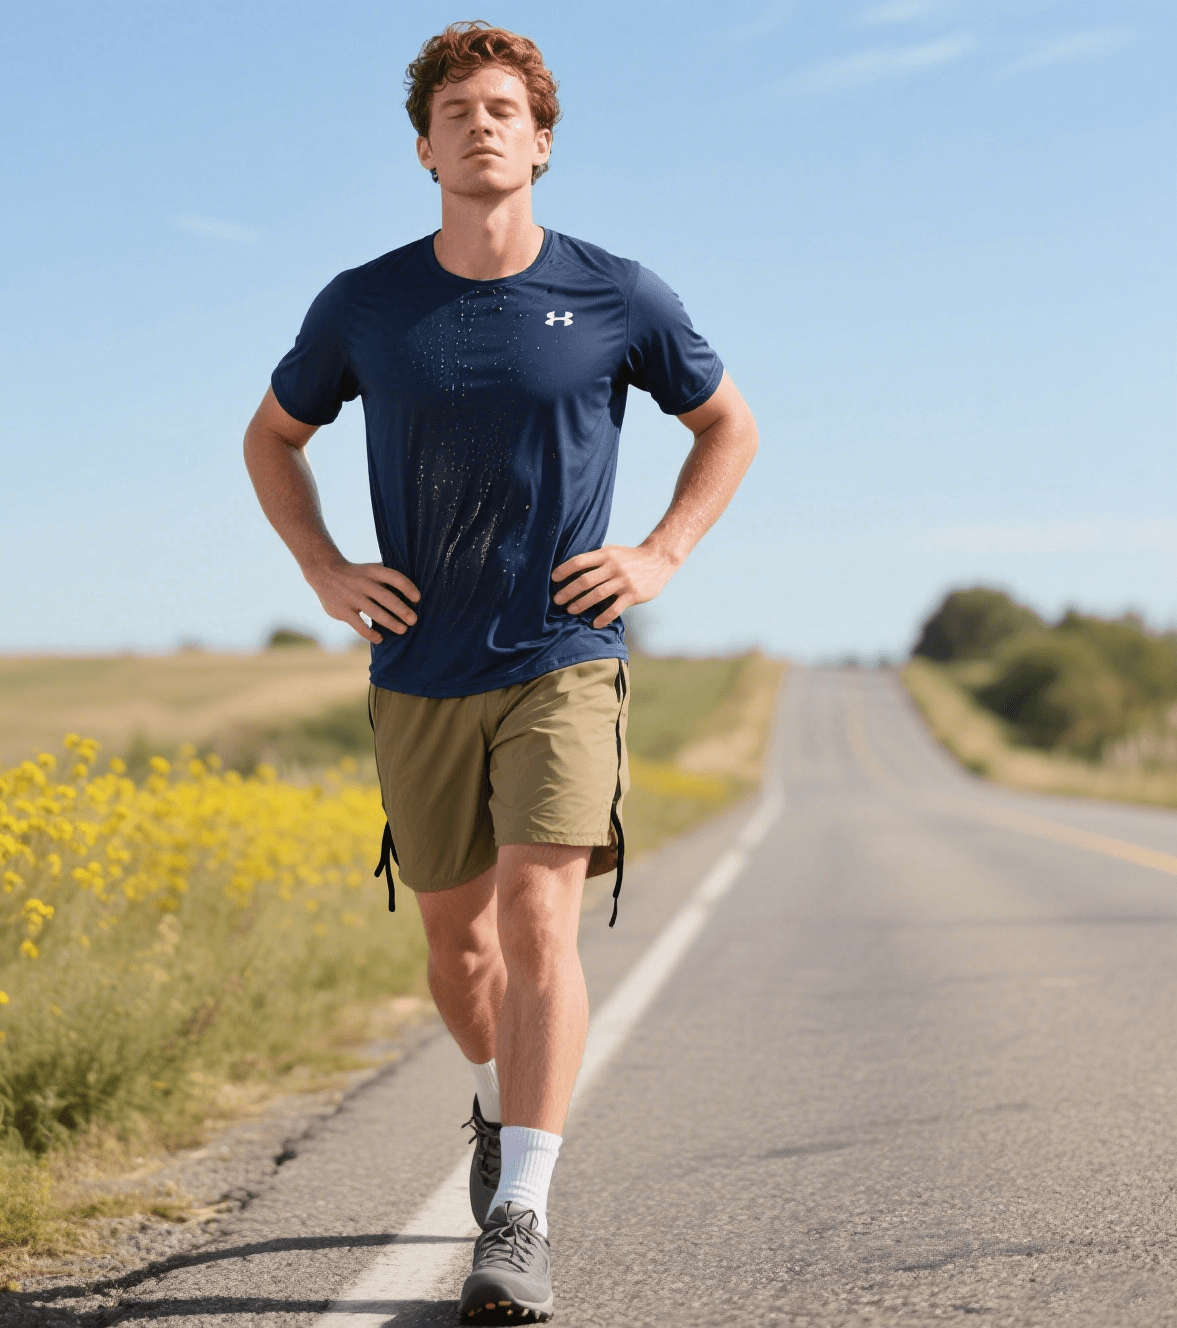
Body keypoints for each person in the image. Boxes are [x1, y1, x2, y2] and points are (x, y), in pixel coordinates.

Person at [243, 21, 758, 1324]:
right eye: (456, 111)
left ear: (542, 142)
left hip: (561, 655)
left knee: (537, 919)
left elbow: (727, 425)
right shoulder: (364, 304)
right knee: (458, 949)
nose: (481, 125)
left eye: (504, 110)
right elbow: (272, 438)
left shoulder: (618, 295)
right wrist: (324, 569)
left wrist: (661, 552)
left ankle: (520, 1212)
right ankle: (491, 1100)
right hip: (419, 664)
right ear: (424, 149)